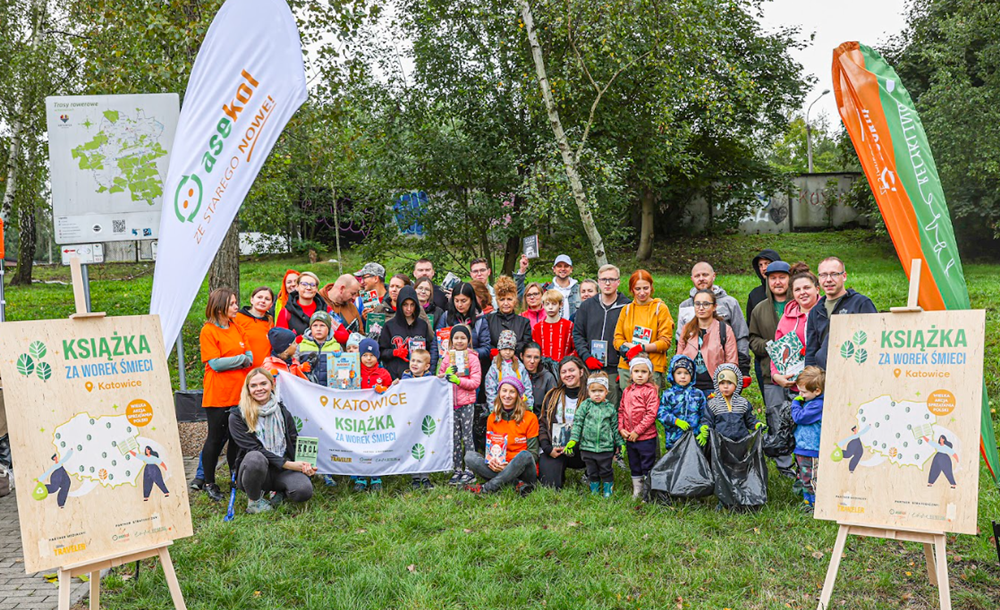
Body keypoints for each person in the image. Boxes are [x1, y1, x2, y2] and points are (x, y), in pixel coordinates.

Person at [229, 368, 315, 514]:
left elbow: (294, 440)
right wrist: (291, 465)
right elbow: (253, 449)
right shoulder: (237, 416)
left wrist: (305, 464)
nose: (259, 389)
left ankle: (278, 491)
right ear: (248, 389)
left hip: (281, 469)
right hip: (254, 470)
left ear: (272, 384)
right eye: (254, 385)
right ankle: (254, 499)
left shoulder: (281, 410)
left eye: (263, 383)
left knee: (303, 491)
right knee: (255, 457)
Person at [197, 288, 252, 501]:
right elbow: (215, 363)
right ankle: (209, 482)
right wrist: (240, 360)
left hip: (240, 394)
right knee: (216, 438)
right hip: (218, 394)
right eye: (232, 304)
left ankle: (235, 476)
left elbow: (250, 355)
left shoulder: (237, 327)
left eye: (236, 302)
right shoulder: (209, 331)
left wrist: (238, 359)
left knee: (237, 438)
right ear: (219, 306)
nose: (237, 307)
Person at [748, 260, 796, 477]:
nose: (778, 282)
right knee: (776, 417)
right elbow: (752, 340)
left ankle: (804, 461)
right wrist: (770, 345)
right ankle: (784, 465)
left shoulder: (800, 304)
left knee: (802, 417)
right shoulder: (760, 309)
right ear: (767, 280)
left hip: (800, 374)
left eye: (782, 277)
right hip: (772, 375)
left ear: (789, 279)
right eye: (773, 278)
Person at [464, 377, 539, 495]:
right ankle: (516, 484)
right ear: (499, 393)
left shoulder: (530, 417)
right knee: (469, 457)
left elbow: (533, 454)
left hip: (523, 470)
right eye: (504, 391)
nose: (507, 395)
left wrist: (510, 466)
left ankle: (488, 487)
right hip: (500, 465)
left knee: (525, 455)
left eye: (512, 392)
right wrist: (492, 462)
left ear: (518, 396)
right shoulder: (492, 418)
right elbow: (491, 450)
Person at [676, 262, 750, 374]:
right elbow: (680, 340)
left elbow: (741, 335)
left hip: (722, 370)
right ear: (692, 279)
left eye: (705, 275)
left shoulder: (729, 303)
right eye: (697, 276)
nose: (701, 279)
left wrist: (743, 367)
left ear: (714, 276)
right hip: (691, 374)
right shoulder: (685, 306)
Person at [573, 264, 631, 407]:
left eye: (611, 279)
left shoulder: (627, 307)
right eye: (604, 279)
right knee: (589, 411)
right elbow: (578, 334)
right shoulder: (587, 306)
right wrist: (587, 356)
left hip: (614, 369)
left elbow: (631, 339)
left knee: (611, 413)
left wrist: (625, 367)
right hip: (590, 368)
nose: (607, 283)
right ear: (598, 282)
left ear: (618, 282)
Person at [805, 257, 877, 369]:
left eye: (834, 274)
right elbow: (811, 350)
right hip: (824, 376)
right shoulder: (816, 310)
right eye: (823, 275)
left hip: (855, 371)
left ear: (844, 276)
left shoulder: (861, 303)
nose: (828, 279)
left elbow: (875, 341)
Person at [564, 371, 624, 497]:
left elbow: (614, 427)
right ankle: (594, 490)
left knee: (606, 470)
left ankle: (608, 490)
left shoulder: (610, 408)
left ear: (606, 392)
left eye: (600, 391)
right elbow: (578, 423)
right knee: (592, 471)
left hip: (605, 447)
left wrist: (620, 443)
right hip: (587, 447)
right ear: (588, 392)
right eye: (593, 391)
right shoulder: (585, 406)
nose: (597, 394)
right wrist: (573, 439)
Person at [612, 270, 674, 391]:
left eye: (645, 288)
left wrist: (641, 348)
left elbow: (665, 342)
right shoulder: (627, 309)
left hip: (652, 367)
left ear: (651, 287)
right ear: (632, 289)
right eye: (637, 289)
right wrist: (628, 347)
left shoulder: (660, 308)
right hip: (628, 367)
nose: (642, 293)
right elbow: (617, 339)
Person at [436, 325, 482, 486]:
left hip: (467, 403)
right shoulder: (447, 357)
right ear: (451, 340)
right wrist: (445, 373)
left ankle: (470, 469)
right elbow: (439, 378)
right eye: (456, 338)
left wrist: (459, 381)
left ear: (468, 340)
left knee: (467, 436)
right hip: (451, 404)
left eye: (463, 338)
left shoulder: (473, 358)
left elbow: (476, 381)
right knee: (454, 437)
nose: (459, 341)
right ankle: (457, 468)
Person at [538, 356, 588, 488]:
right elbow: (543, 424)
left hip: (582, 449)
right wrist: (547, 448)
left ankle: (590, 474)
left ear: (581, 372)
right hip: (556, 448)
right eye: (564, 372)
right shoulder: (553, 396)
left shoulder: (591, 396)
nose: (568, 375)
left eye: (572, 370)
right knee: (549, 486)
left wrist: (574, 445)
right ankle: (559, 473)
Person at [677, 289, 739, 394]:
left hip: (715, 389)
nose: (701, 308)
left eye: (706, 304)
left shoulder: (724, 329)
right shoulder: (687, 329)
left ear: (714, 307)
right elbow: (678, 359)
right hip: (689, 388)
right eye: (697, 304)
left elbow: (732, 362)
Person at [771, 264, 820, 392]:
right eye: (797, 289)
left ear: (817, 289)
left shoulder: (827, 313)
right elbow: (778, 350)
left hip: (823, 384)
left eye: (807, 288)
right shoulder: (786, 317)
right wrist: (776, 375)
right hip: (796, 387)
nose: (802, 292)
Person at [617, 356, 659, 499]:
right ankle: (637, 490)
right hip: (629, 437)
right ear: (631, 373)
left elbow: (651, 414)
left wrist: (637, 431)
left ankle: (648, 492)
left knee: (646, 464)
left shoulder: (651, 391)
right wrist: (621, 428)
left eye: (644, 372)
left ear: (649, 374)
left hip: (646, 438)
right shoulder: (627, 391)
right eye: (636, 371)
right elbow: (621, 410)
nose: (640, 375)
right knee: (634, 464)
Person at [354, 339, 392, 492]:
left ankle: (376, 475)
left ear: (377, 356)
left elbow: (391, 392)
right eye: (365, 355)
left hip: (377, 417)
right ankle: (360, 476)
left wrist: (385, 390)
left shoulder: (383, 373)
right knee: (360, 445)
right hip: (358, 417)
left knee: (375, 446)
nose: (368, 359)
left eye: (372, 355)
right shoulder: (354, 372)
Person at [696, 364, 764, 447]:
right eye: (722, 383)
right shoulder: (713, 404)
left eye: (729, 383)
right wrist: (705, 426)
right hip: (720, 443)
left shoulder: (743, 403)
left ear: (736, 384)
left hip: (741, 442)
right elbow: (707, 419)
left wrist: (756, 424)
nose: (725, 386)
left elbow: (749, 419)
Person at [379, 286, 438, 379]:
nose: (409, 309)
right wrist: (394, 352)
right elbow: (381, 352)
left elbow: (429, 348)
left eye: (412, 305)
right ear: (399, 304)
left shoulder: (422, 325)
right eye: (405, 304)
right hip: (395, 376)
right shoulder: (389, 325)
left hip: (419, 376)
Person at [399, 348, 435, 490]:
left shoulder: (430, 380)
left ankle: (425, 477)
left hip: (425, 419)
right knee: (412, 446)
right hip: (410, 419)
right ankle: (414, 477)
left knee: (425, 445)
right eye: (412, 360)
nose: (414, 364)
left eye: (419, 362)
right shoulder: (405, 379)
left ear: (426, 366)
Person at [791, 366, 825, 511]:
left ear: (817, 391)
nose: (801, 394)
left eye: (803, 392)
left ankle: (817, 505)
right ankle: (808, 502)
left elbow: (800, 417)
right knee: (804, 476)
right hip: (803, 447)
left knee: (811, 477)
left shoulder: (817, 406)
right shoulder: (811, 402)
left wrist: (795, 404)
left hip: (810, 448)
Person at [658, 355, 706, 452]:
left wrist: (703, 428)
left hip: (694, 438)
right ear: (673, 374)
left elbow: (705, 414)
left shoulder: (698, 394)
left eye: (687, 373)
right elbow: (661, 413)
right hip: (674, 439)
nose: (683, 376)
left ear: (692, 375)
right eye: (679, 373)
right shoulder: (668, 394)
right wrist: (676, 421)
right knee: (675, 465)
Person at [514, 253, 581, 319]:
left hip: (574, 329)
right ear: (554, 269)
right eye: (559, 266)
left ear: (571, 269)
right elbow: (520, 294)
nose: (563, 269)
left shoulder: (580, 290)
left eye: (566, 266)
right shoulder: (544, 289)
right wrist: (522, 269)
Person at [436, 282, 491, 363]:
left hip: (472, 365)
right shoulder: (446, 317)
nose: (459, 305)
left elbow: (486, 348)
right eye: (456, 301)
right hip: (449, 365)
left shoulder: (480, 320)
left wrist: (470, 352)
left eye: (463, 301)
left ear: (471, 300)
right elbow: (436, 345)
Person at [485, 276, 532, 356]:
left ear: (515, 300)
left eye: (509, 299)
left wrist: (509, 350)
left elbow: (526, 345)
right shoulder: (488, 320)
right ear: (497, 301)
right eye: (502, 299)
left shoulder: (524, 322)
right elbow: (486, 343)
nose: (506, 303)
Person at [484, 330, 533, 406]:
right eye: (504, 349)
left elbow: (527, 386)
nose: (507, 352)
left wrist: (528, 404)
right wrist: (493, 407)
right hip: (501, 404)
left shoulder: (520, 366)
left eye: (510, 349)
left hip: (519, 405)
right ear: (499, 349)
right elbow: (490, 389)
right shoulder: (494, 367)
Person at [296, 311, 343, 387]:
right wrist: (300, 368)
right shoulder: (301, 346)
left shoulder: (337, 346)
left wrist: (340, 359)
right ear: (310, 328)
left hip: (329, 389)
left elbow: (344, 369)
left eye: (322, 325)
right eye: (315, 325)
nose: (318, 329)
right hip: (307, 389)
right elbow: (293, 367)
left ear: (329, 328)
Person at [276, 272, 329, 337]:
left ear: (316, 288)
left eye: (313, 285)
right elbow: (280, 340)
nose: (309, 288)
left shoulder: (327, 309)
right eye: (304, 284)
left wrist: (327, 332)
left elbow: (343, 335)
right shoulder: (285, 313)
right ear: (297, 287)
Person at [532, 290, 575, 366]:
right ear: (543, 305)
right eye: (547, 304)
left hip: (565, 367)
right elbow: (534, 350)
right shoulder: (537, 328)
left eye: (554, 304)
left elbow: (575, 349)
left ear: (560, 305)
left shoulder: (569, 326)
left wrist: (567, 361)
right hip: (543, 369)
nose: (550, 307)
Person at [235, 286, 274, 367]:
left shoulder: (270, 322)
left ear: (271, 304)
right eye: (259, 297)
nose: (263, 301)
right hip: (242, 370)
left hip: (263, 372)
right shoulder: (237, 317)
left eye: (267, 299)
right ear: (252, 300)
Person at [522, 342, 556, 416]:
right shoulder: (516, 375)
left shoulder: (548, 378)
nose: (532, 361)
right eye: (528, 356)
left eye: (536, 357)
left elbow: (551, 409)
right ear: (522, 356)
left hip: (540, 422)